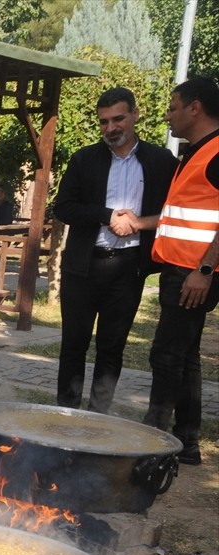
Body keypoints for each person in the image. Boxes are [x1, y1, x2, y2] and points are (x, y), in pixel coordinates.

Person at [52, 87, 178, 414]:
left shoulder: (161, 161)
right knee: (73, 346)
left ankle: (97, 418)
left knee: (111, 349)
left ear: (135, 115)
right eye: (104, 122)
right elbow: (63, 207)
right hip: (82, 267)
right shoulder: (84, 159)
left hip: (128, 268)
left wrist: (137, 223)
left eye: (118, 118)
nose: (111, 128)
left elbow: (175, 210)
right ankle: (66, 415)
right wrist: (107, 216)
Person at [142, 77, 219, 466]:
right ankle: (186, 441)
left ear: (195, 108)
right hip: (181, 269)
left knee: (166, 356)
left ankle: (151, 440)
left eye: (173, 107)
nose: (168, 114)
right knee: (185, 357)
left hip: (194, 273)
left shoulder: (216, 152)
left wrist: (204, 270)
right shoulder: (194, 152)